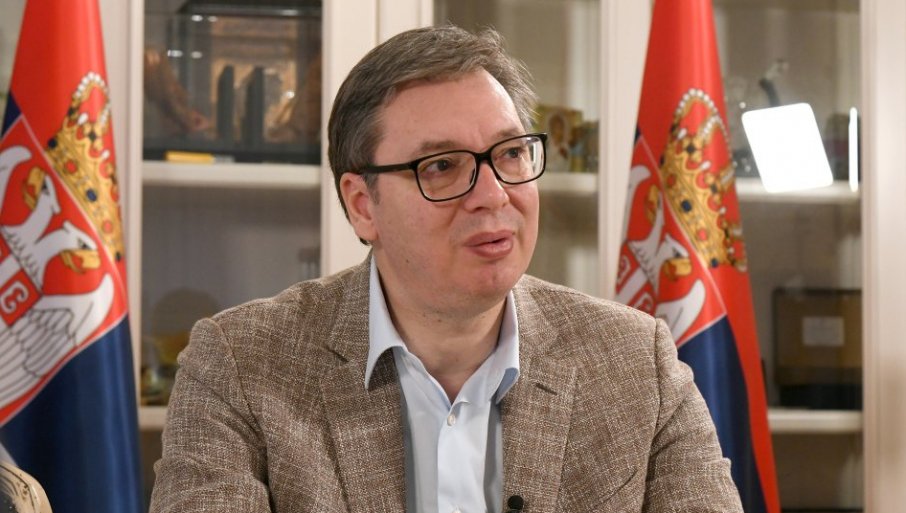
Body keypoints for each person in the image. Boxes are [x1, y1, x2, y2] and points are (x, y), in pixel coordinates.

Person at [149, 25, 743, 513]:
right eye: (441, 166)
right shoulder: (240, 365)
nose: (493, 194)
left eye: (511, 154)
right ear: (362, 205)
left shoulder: (636, 363)